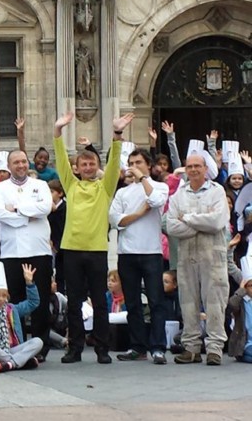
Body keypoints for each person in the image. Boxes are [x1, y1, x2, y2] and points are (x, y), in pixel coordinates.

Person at [53, 111, 133, 364]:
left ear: (97, 167)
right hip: (72, 250)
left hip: (97, 249)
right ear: (77, 168)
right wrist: (58, 131)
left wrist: (117, 134)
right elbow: (60, 161)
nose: (87, 168)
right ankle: (74, 348)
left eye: (91, 164)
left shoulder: (105, 187)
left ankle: (102, 349)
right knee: (74, 302)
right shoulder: (71, 185)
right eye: (83, 165)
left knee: (99, 301)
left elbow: (114, 164)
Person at [0, 149, 53, 360]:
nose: (21, 165)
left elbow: (45, 208)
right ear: (9, 166)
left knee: (40, 300)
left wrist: (15, 209)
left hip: (39, 251)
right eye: (16, 162)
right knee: (14, 302)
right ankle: (18, 343)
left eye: (24, 162)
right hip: (11, 253)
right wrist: (27, 215)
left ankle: (41, 347)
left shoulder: (40, 185)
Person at [166, 153, 229, 366]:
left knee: (214, 302)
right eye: (189, 166)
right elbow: (171, 226)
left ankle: (214, 349)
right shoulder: (178, 195)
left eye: (197, 166)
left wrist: (189, 219)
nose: (193, 170)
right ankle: (191, 348)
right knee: (188, 301)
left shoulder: (217, 191)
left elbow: (217, 222)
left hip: (213, 256)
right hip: (186, 255)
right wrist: (202, 222)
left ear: (205, 169)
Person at [109, 148, 170, 364]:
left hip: (151, 251)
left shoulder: (159, 186)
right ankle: (138, 346)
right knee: (132, 302)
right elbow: (116, 219)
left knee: (155, 301)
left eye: (138, 162)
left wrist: (143, 178)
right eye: (130, 163)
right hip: (127, 252)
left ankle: (158, 346)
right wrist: (138, 214)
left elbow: (155, 201)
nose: (133, 166)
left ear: (148, 164)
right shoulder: (122, 193)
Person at [0, 259, 42, 372]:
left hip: (10, 349)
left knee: (38, 342)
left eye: (4, 295)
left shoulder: (12, 309)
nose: (1, 299)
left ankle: (10, 363)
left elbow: (33, 303)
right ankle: (20, 362)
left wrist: (29, 283)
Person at [16, 118, 59, 182]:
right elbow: (22, 150)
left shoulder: (53, 173)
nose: (42, 160)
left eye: (45, 159)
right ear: (34, 159)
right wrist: (20, 131)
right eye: (40, 157)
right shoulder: (29, 167)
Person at [228, 258, 252, 363]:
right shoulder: (242, 302)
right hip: (246, 343)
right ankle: (242, 355)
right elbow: (232, 305)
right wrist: (241, 290)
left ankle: (244, 357)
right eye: (251, 286)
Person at [48, 179, 67, 293]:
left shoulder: (65, 209)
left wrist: (57, 245)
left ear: (60, 193)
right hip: (52, 246)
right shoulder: (49, 209)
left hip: (62, 247)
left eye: (51, 191)